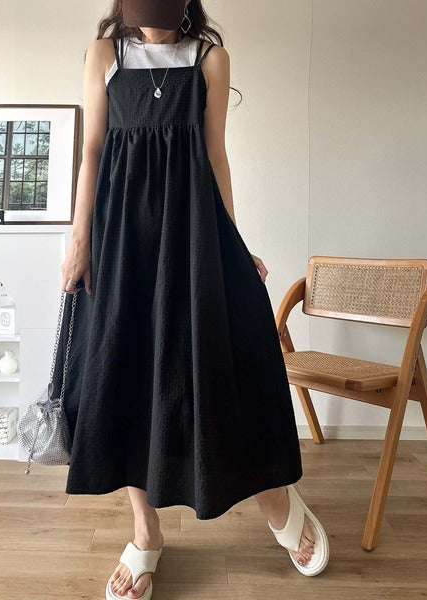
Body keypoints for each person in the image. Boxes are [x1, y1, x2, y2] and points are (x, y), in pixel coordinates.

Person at [55, 1, 329, 598]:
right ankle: (145, 531)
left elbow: (214, 155)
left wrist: (234, 241)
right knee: (123, 371)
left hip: (195, 236)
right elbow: (93, 150)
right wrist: (79, 241)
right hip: (122, 242)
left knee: (221, 362)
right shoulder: (104, 55)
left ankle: (276, 498)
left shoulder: (210, 59)